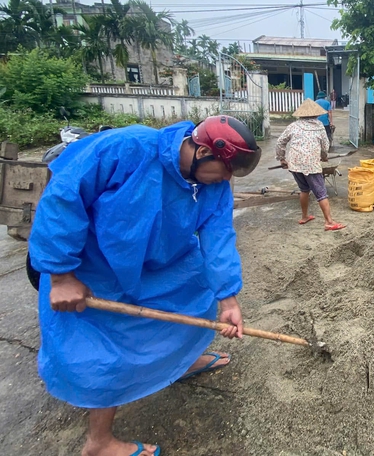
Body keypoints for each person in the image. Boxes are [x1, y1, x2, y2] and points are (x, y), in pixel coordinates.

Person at [28, 115, 261, 456]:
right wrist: (61, 276)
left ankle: (180, 361)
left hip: (162, 262)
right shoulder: (127, 147)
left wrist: (228, 300)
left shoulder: (214, 187)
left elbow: (219, 239)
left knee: (196, 293)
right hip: (95, 266)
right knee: (102, 351)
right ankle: (99, 443)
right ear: (201, 152)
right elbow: (63, 197)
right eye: (225, 168)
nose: (226, 178)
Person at [276, 99, 346, 231]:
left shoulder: (293, 126)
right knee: (321, 193)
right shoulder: (319, 126)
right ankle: (329, 222)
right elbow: (325, 146)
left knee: (304, 189)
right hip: (310, 165)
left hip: (295, 164)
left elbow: (280, 142)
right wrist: (324, 157)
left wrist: (282, 159)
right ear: (316, 114)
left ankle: (304, 216)